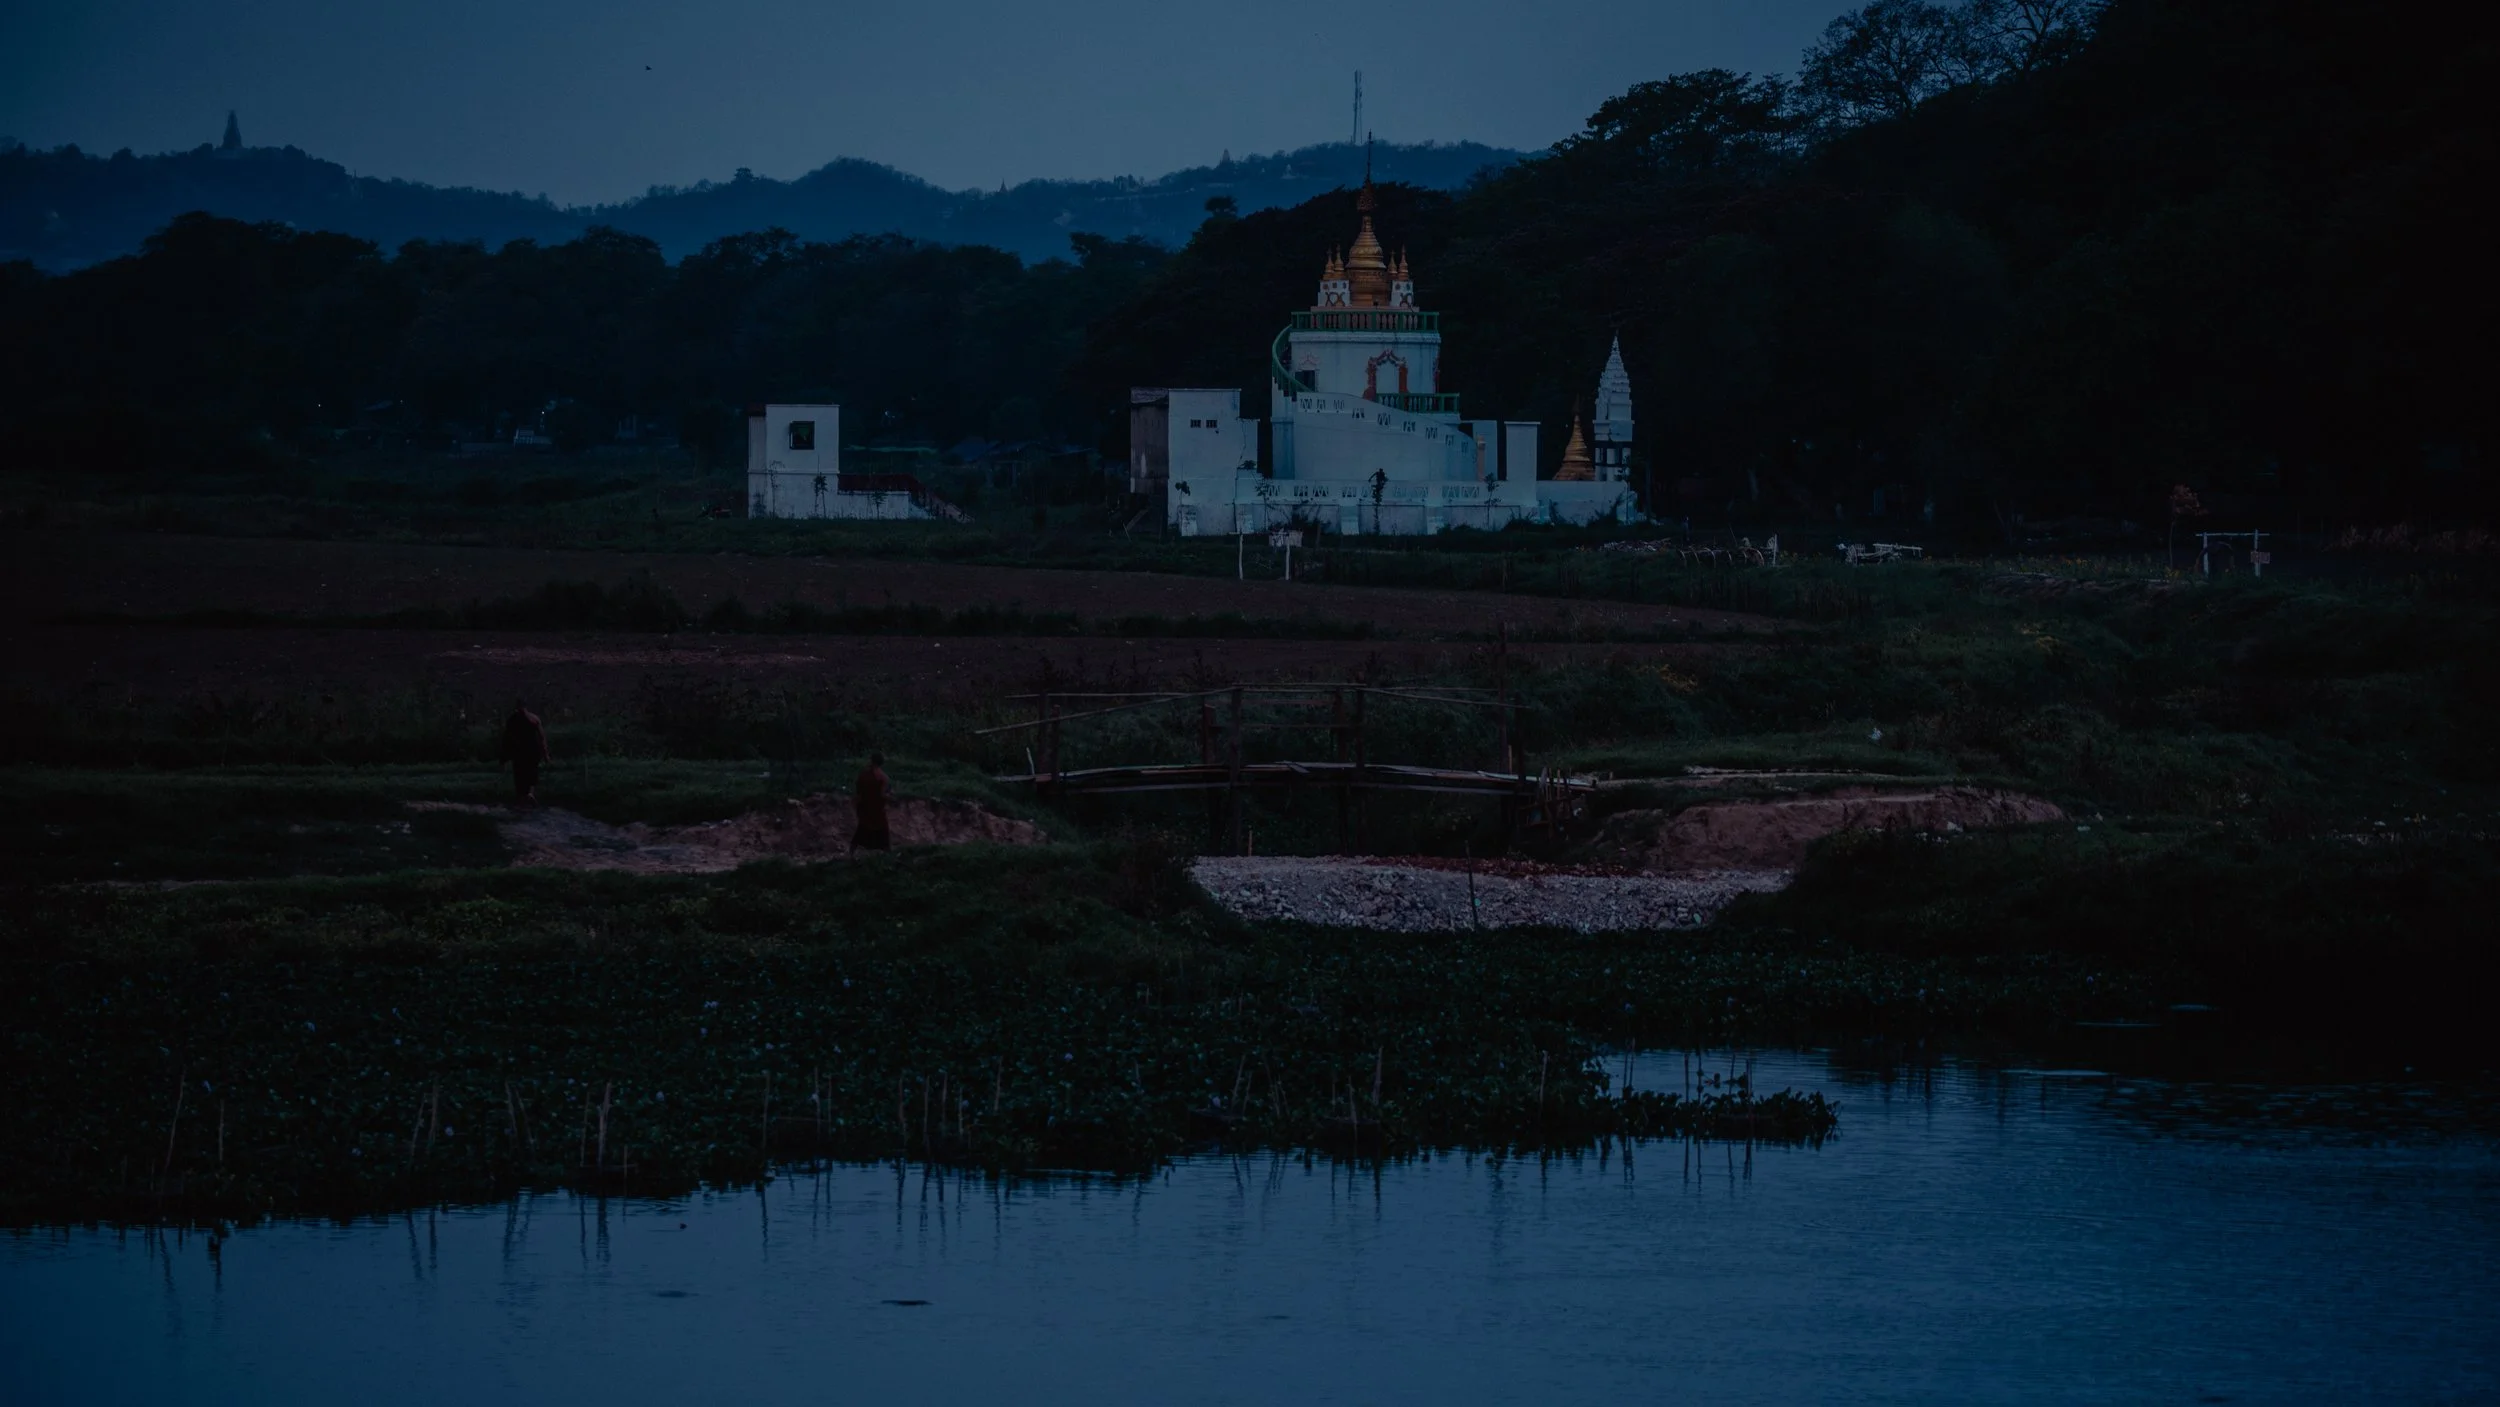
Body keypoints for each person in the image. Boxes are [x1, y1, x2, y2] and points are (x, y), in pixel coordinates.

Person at [501, 701, 549, 805]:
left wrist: (504, 756)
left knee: (521, 774)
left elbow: (506, 738)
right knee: (531, 773)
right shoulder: (533, 719)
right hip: (531, 750)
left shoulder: (513, 720)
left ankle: (524, 797)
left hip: (520, 751)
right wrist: (545, 754)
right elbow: (542, 738)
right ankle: (529, 794)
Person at [853, 751, 891, 852]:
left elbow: (858, 792)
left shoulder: (863, 775)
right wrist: (890, 797)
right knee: (882, 832)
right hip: (877, 810)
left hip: (865, 807)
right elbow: (882, 794)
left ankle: (854, 850)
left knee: (862, 828)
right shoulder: (883, 777)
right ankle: (884, 852)